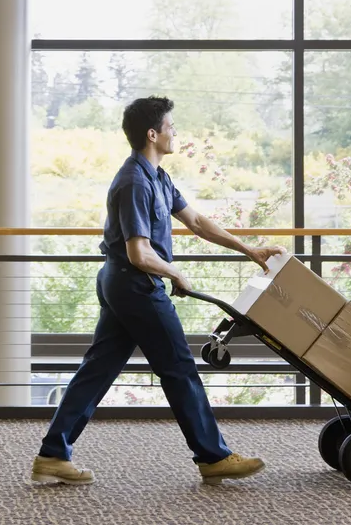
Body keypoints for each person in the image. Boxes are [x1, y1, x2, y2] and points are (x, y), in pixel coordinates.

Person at [31, 96, 284, 486]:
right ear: (153, 134)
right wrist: (175, 273)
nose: (175, 132)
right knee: (179, 368)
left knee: (98, 369)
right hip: (135, 284)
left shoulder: (157, 176)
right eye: (171, 126)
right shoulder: (133, 181)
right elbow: (139, 252)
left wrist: (249, 250)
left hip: (125, 283)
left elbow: (197, 221)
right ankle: (213, 456)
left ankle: (52, 454)